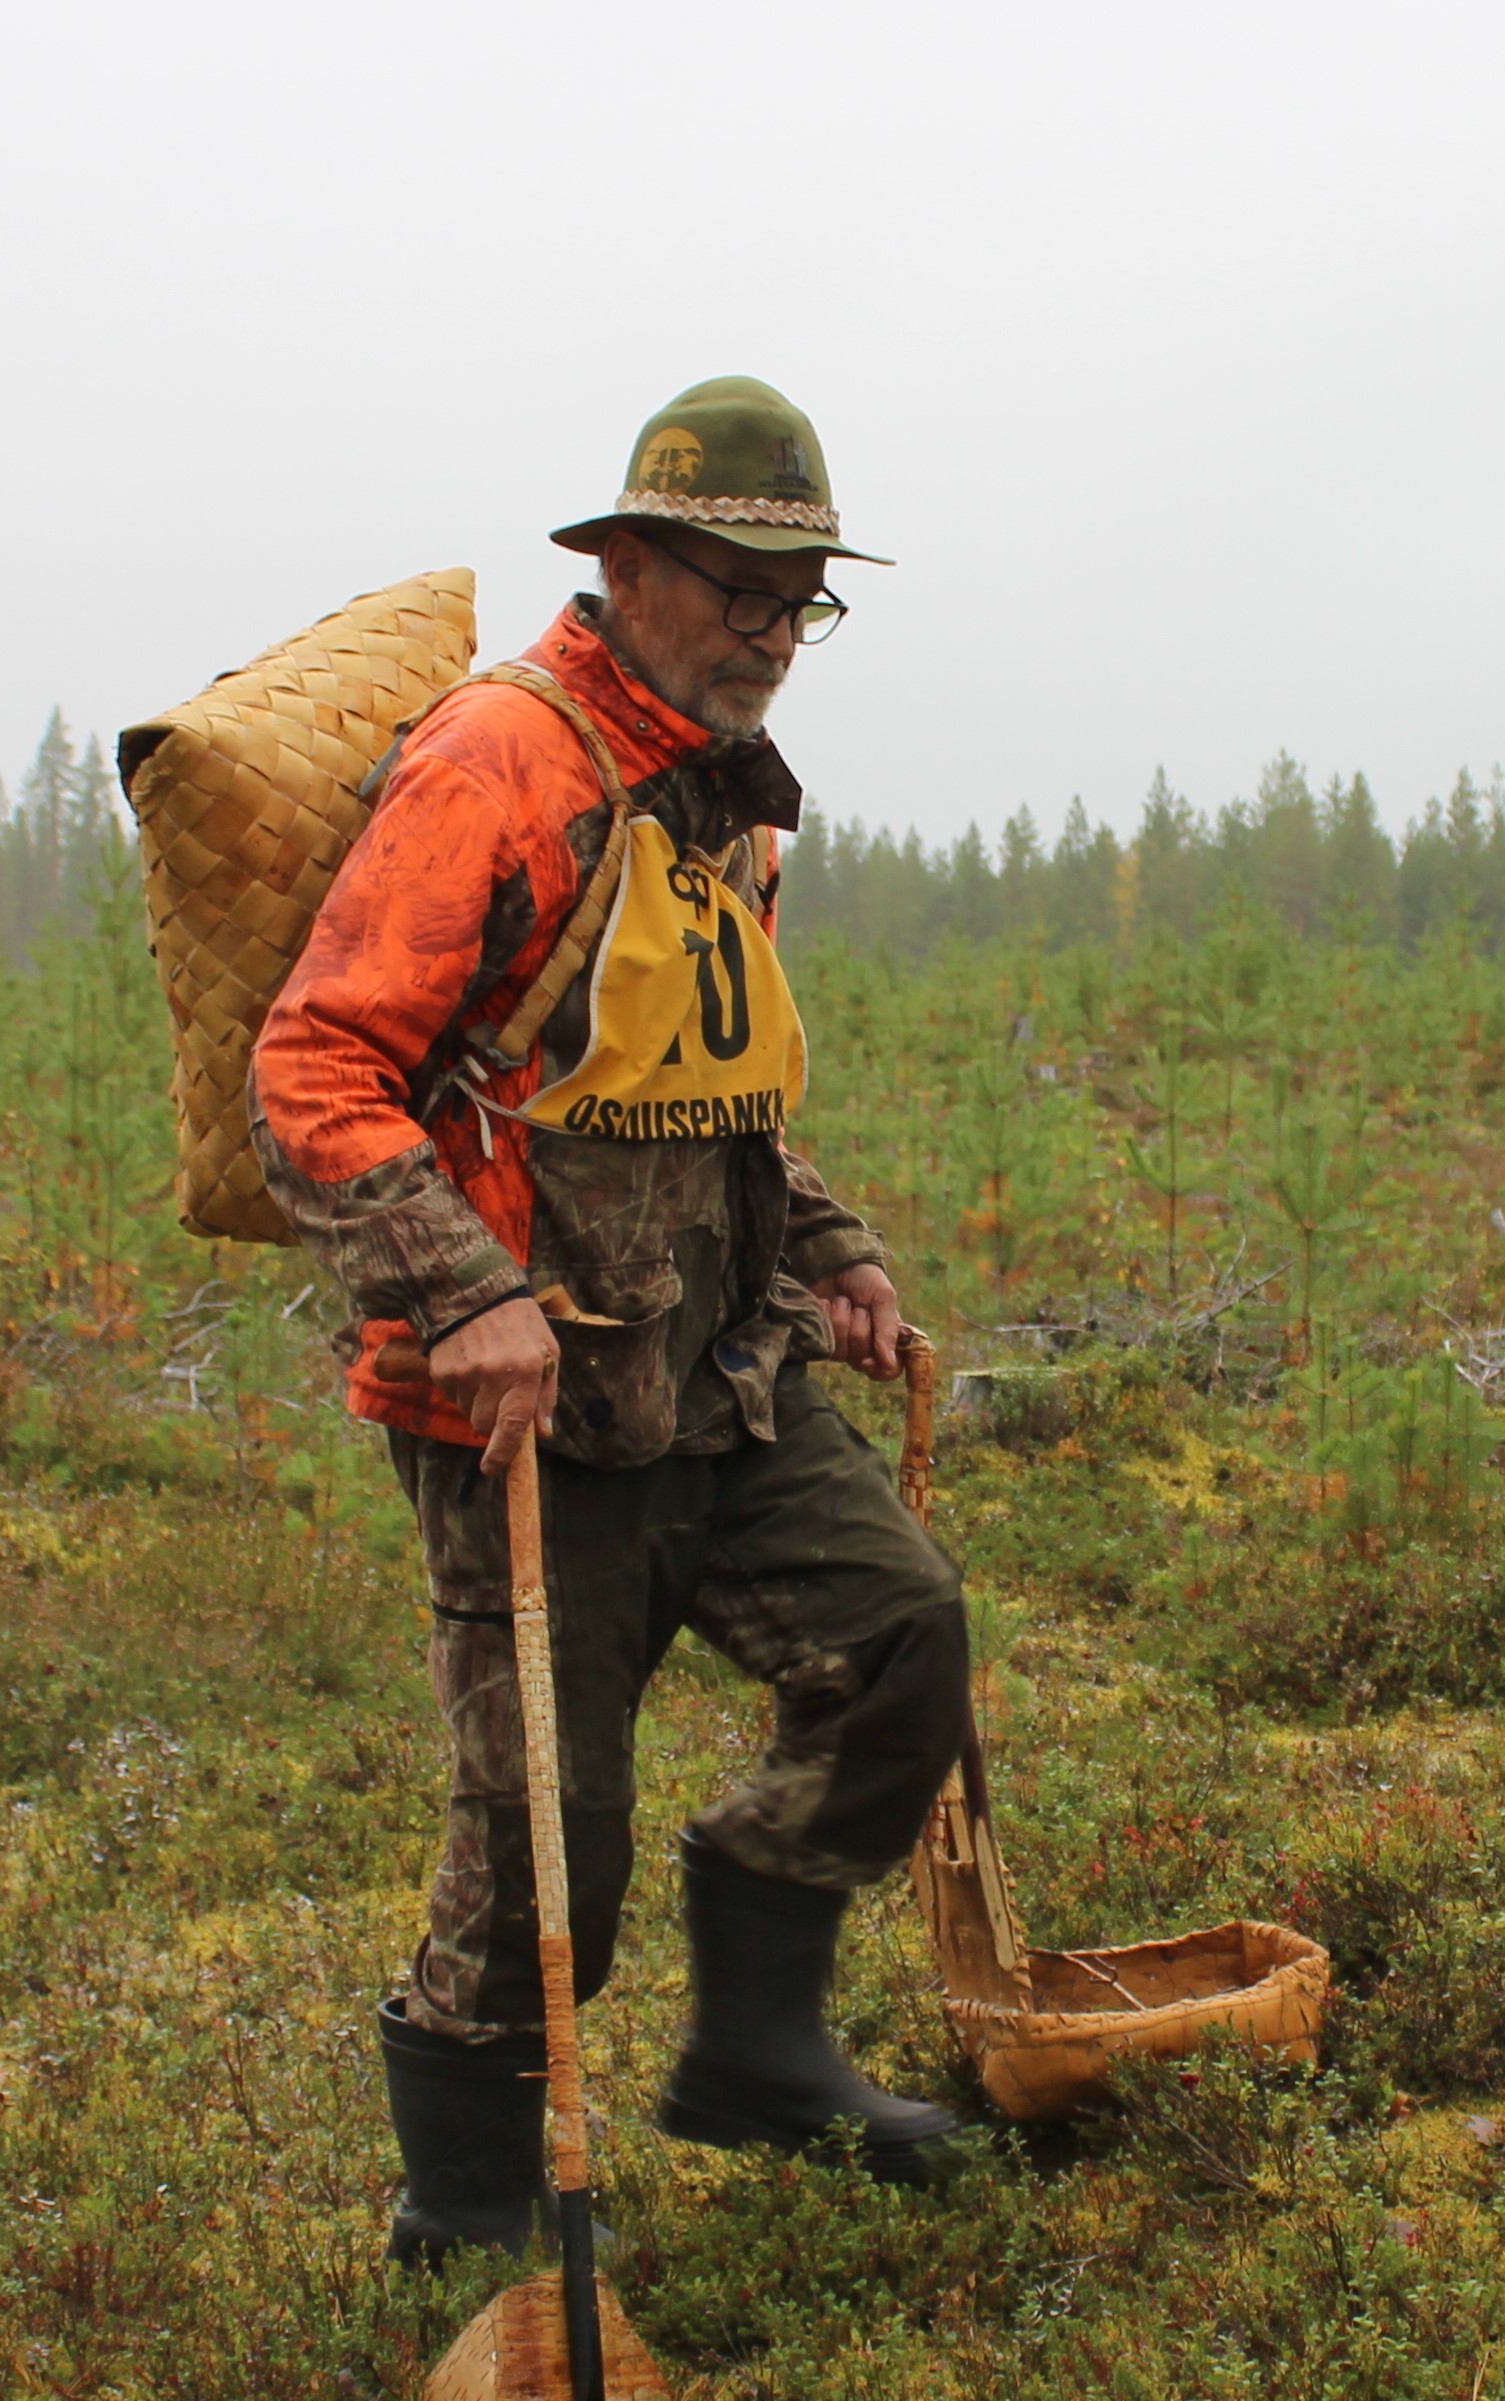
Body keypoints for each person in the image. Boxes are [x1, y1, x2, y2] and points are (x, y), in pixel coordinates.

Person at [252, 376, 976, 2256]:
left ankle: (756, 2047)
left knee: (897, 1639)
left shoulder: (719, 804)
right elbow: (315, 1068)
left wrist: (829, 1247)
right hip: (526, 1407)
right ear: (631, 563)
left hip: (727, 1372)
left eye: (799, 595)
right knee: (537, 1835)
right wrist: (464, 1294)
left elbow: (699, 1088)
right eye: (738, 585)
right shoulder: (501, 759)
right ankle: (477, 2210)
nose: (770, 631)